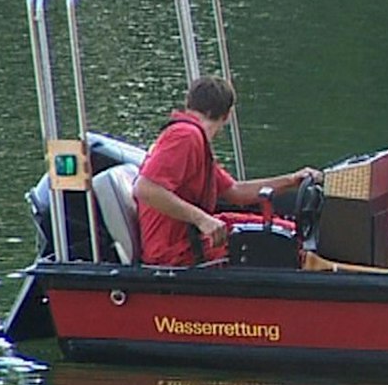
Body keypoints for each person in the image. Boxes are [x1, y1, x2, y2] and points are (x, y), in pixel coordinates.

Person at [133, 76, 324, 266]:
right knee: (286, 245)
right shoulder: (186, 136)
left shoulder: (195, 139)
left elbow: (235, 191)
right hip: (173, 251)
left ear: (189, 103)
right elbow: (145, 188)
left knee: (290, 232)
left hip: (190, 238)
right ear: (227, 115)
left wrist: (292, 180)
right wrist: (202, 220)